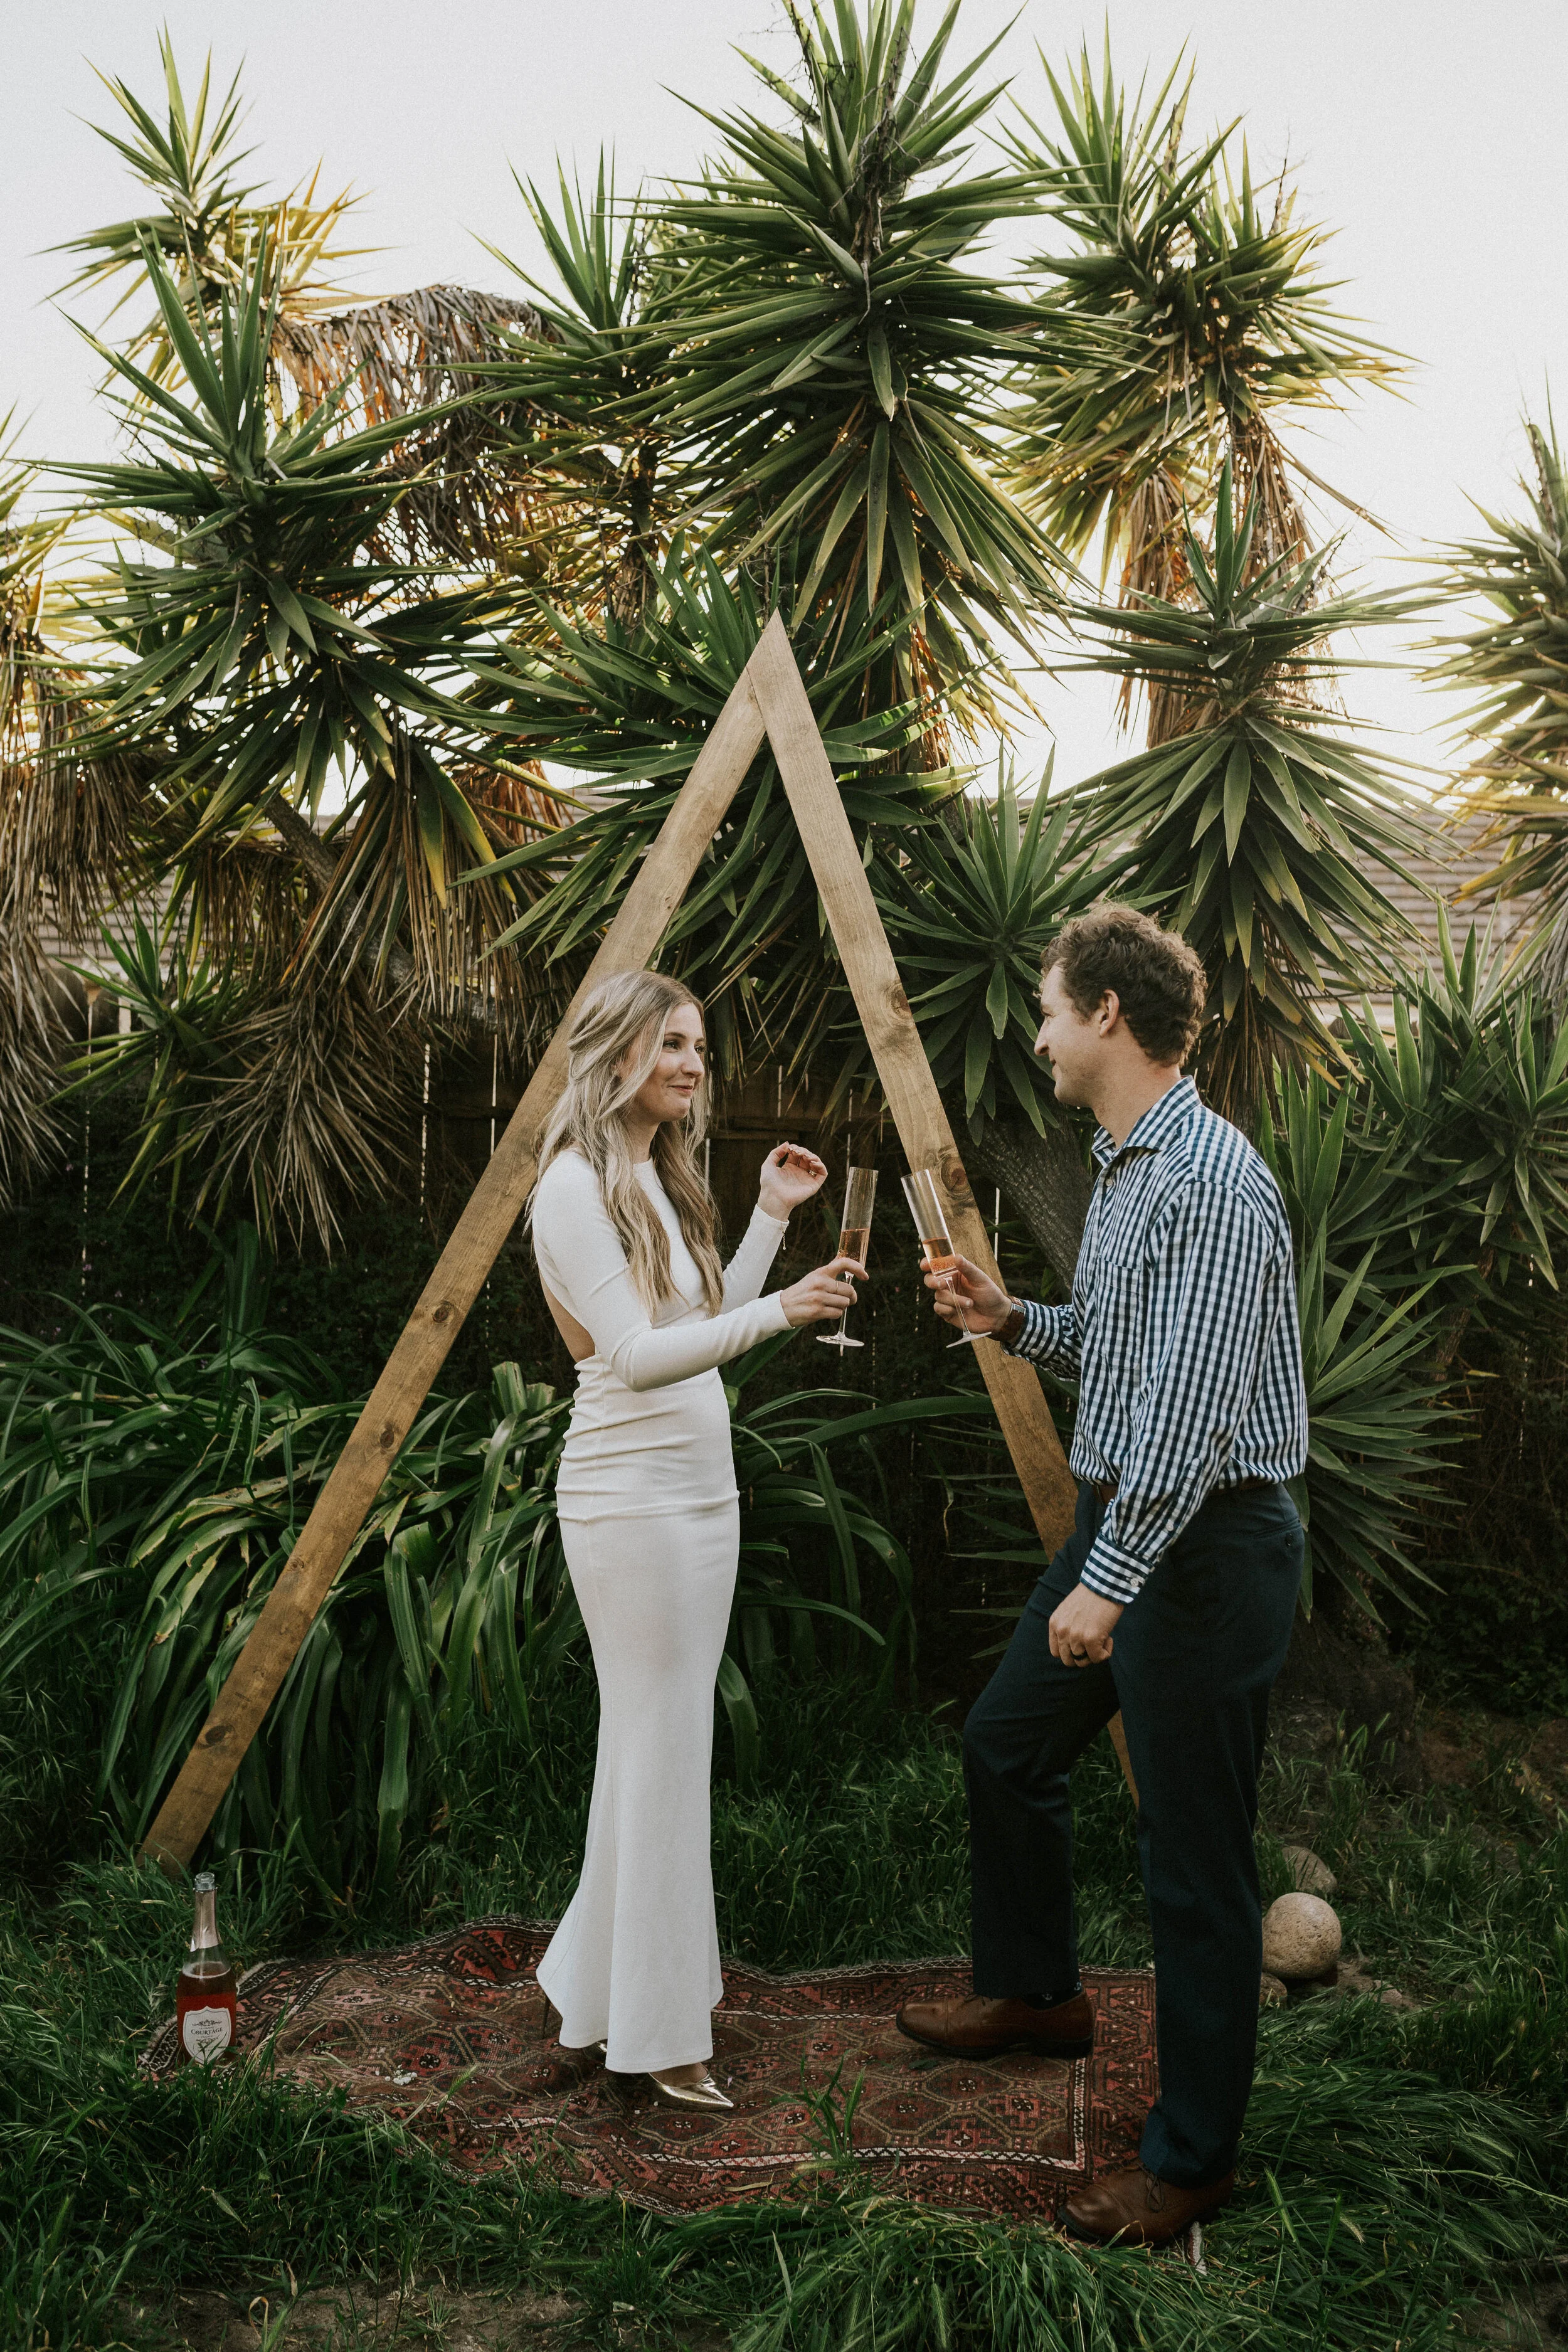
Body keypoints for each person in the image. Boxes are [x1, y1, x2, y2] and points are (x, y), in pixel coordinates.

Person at [896, 905, 1308, 2246]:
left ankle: (1190, 2159)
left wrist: (1110, 1580)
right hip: (1132, 1525)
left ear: (1106, 1018)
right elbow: (1129, 1356)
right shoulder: (1127, 1164)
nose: (1034, 1032)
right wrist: (1012, 1318)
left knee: (1188, 1864)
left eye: (1047, 1008)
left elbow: (1190, 1425)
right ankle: (1035, 1993)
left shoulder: (1210, 1181)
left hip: (1201, 1548)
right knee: (1005, 1744)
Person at [527, 969, 863, 2111]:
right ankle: (663, 2034)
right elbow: (630, 1356)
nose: (691, 1062)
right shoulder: (573, 1187)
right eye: (672, 1041)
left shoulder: (649, 1179)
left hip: (698, 1495)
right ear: (617, 1048)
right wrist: (786, 1307)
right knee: (666, 1752)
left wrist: (770, 1219)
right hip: (631, 1503)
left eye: (700, 1046)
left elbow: (704, 1336)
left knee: (650, 1747)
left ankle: (591, 1987)